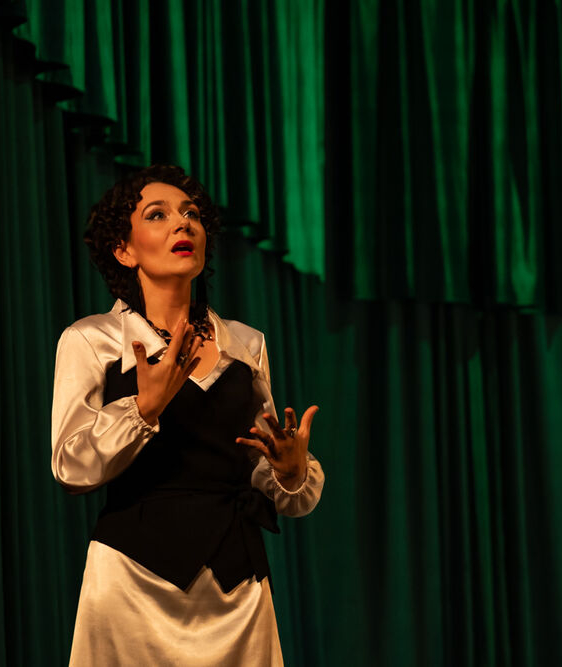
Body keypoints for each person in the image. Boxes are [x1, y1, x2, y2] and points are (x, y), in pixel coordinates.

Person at [50, 165, 324, 665]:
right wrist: (143, 409)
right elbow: (71, 467)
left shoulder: (246, 344)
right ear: (124, 249)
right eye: (158, 215)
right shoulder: (92, 340)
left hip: (236, 590)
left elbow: (261, 468)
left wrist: (288, 471)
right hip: (133, 582)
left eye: (191, 214)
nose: (183, 223)